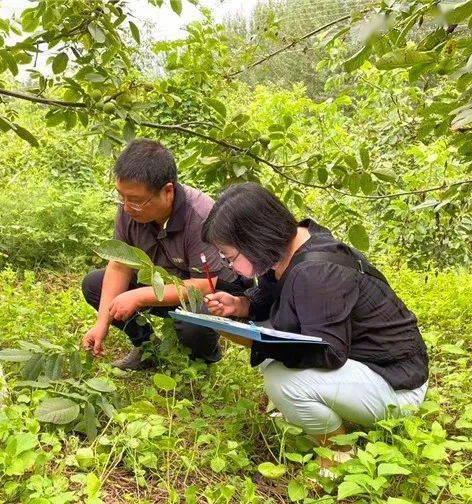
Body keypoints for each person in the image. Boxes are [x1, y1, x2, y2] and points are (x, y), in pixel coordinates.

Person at [201, 183, 429, 473]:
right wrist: (239, 305)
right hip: (367, 365)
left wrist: (252, 341)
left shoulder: (315, 272)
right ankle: (322, 413)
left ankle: (338, 451)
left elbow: (327, 352)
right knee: (271, 346)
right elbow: (271, 297)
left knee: (282, 381)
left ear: (255, 239)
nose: (230, 266)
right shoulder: (290, 248)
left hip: (397, 386)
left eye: (230, 257)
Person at [81, 139, 238, 370]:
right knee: (94, 283)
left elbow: (204, 285)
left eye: (134, 200)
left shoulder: (200, 215)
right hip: (161, 284)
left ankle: (202, 362)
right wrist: (101, 322)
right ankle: (147, 348)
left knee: (194, 322)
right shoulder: (130, 208)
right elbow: (119, 265)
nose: (125, 207)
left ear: (167, 191)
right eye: (121, 197)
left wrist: (139, 296)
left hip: (211, 294)